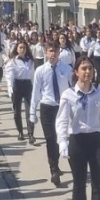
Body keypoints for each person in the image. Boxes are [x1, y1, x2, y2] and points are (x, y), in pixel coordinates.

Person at [56, 57, 100, 200]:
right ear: (76, 72)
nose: (88, 72)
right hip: (77, 140)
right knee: (79, 183)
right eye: (84, 68)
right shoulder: (68, 95)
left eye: (90, 69)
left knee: (98, 184)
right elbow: (62, 121)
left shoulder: (99, 93)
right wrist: (63, 143)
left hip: (95, 140)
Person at [30, 42, 75, 187]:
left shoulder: (66, 69)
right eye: (50, 51)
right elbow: (36, 92)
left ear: (58, 53)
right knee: (50, 139)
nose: (53, 54)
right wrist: (32, 112)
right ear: (46, 53)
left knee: (64, 137)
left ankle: (70, 165)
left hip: (63, 107)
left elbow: (74, 88)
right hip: (47, 108)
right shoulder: (40, 71)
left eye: (55, 51)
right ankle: (54, 169)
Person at [5, 41, 36, 143]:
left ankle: (31, 134)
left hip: (27, 85)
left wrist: (35, 88)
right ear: (17, 49)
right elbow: (10, 76)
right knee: (17, 111)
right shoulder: (12, 61)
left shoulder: (30, 61)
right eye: (20, 48)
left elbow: (32, 75)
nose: (22, 50)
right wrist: (10, 87)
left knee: (29, 110)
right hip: (17, 85)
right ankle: (20, 132)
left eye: (24, 48)